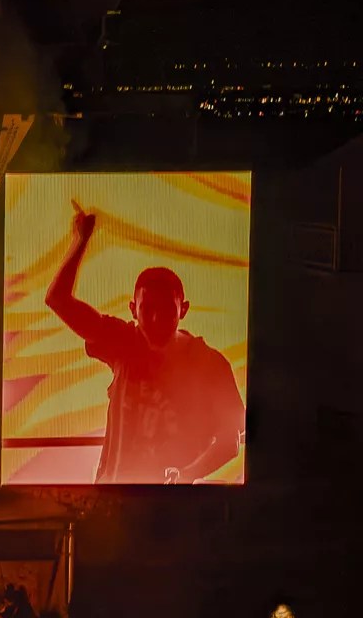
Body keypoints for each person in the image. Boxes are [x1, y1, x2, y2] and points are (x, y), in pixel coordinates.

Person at [44, 202, 244, 484]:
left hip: (170, 505)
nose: (156, 318)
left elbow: (230, 440)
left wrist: (185, 476)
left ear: (183, 310)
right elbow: (58, 300)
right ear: (133, 310)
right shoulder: (123, 341)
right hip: (113, 497)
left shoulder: (210, 364)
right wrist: (81, 240)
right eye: (147, 309)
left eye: (167, 309)